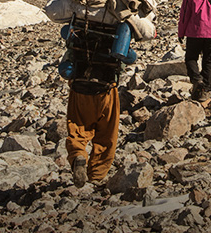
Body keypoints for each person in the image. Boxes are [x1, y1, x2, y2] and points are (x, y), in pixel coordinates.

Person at [64, 10, 152, 188]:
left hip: (79, 87)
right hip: (105, 89)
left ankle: (78, 155)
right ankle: (96, 175)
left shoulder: (81, 25)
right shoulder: (118, 30)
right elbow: (130, 57)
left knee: (77, 128)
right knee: (106, 134)